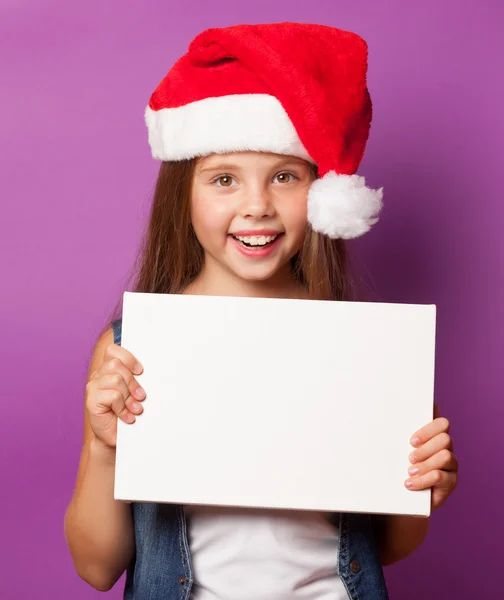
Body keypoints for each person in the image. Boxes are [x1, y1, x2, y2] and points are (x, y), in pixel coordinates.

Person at [64, 22, 459, 600]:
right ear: (185, 195)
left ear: (320, 190)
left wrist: (421, 488)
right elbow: (97, 568)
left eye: (284, 177)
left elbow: (388, 546)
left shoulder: (366, 349)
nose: (256, 206)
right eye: (224, 179)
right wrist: (103, 449)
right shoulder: (132, 346)